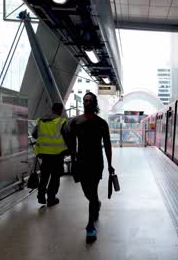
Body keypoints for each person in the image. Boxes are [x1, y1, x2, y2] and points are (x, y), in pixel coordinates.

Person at [68, 92, 115, 244]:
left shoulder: (102, 123)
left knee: (92, 191)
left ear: (95, 103)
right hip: (81, 162)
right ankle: (96, 204)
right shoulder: (75, 121)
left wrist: (110, 165)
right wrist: (73, 155)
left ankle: (90, 227)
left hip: (96, 162)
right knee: (87, 192)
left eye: (90, 100)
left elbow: (107, 145)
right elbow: (70, 139)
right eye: (85, 100)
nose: (87, 102)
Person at [32, 102, 69, 207]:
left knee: (44, 175)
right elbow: (67, 136)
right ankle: (51, 199)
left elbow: (34, 134)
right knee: (55, 177)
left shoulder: (40, 121)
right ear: (61, 111)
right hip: (57, 154)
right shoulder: (61, 122)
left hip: (44, 154)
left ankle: (41, 196)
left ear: (52, 110)